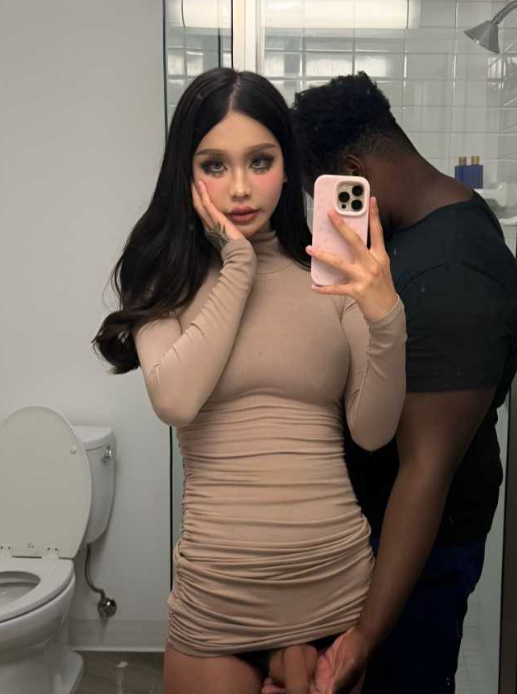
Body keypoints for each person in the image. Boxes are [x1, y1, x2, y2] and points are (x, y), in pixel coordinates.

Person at [92, 67, 407, 694]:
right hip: (219, 600)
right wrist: (237, 262)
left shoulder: (330, 276)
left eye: (260, 161)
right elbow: (176, 400)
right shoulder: (164, 279)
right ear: (186, 173)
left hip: (334, 590)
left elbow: (372, 432)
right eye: (214, 165)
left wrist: (385, 317)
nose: (240, 187)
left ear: (288, 167)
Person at [283, 72, 517, 694]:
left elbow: (426, 469)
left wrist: (365, 634)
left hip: (418, 554)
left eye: (324, 193)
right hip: (385, 537)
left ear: (352, 172)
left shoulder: (454, 275)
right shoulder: (433, 221)